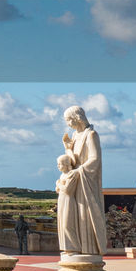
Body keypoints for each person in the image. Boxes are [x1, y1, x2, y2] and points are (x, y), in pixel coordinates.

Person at [56, 106, 107, 257]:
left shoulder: (91, 135)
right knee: (71, 218)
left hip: (84, 181)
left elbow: (95, 159)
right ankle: (74, 248)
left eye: (69, 120)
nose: (68, 124)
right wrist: (68, 149)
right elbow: (73, 161)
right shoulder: (75, 136)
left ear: (77, 118)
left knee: (84, 216)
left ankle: (88, 250)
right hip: (75, 180)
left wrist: (79, 171)